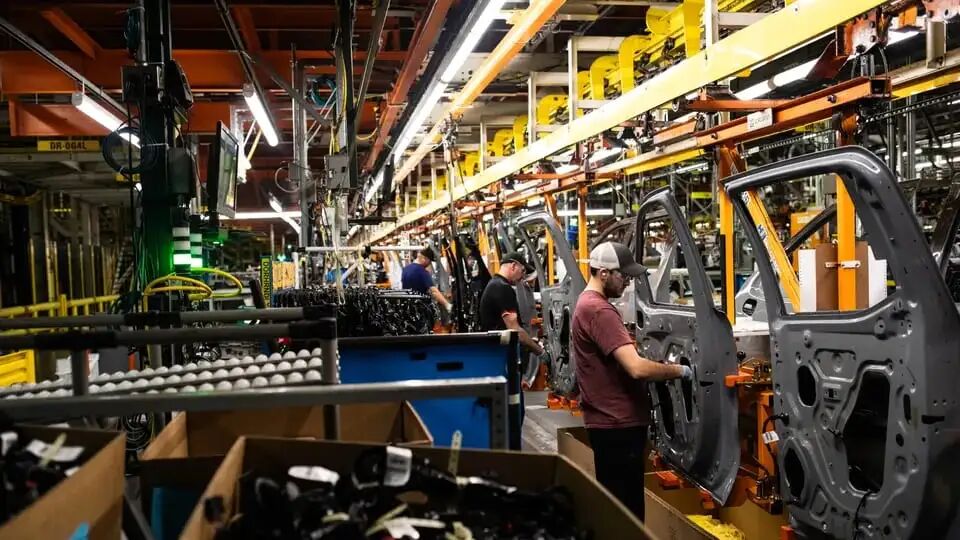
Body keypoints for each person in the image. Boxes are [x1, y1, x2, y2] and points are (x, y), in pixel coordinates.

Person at [572, 241, 691, 521]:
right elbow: (636, 368)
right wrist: (679, 371)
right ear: (604, 273)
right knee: (627, 514)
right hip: (618, 426)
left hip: (607, 422)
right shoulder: (599, 310)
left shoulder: (585, 303)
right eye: (623, 275)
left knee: (616, 510)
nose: (627, 282)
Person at [479, 251, 544, 356]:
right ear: (513, 266)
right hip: (499, 353)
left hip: (494, 349)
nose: (523, 276)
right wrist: (540, 352)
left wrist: (529, 340)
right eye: (522, 271)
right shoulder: (502, 288)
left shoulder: (495, 284)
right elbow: (514, 329)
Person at [401, 248, 452, 313]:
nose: (429, 264)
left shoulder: (405, 269)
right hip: (419, 309)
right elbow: (434, 292)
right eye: (429, 261)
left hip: (408, 308)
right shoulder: (422, 272)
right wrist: (447, 305)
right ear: (425, 259)